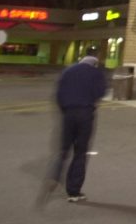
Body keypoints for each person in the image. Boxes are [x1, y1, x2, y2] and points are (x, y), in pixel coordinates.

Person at [48, 46, 107, 203]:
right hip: (85, 114)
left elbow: (59, 94)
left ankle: (55, 176)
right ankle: (74, 192)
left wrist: (65, 110)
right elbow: (101, 93)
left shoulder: (68, 71)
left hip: (68, 113)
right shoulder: (97, 72)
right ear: (97, 57)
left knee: (63, 149)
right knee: (80, 152)